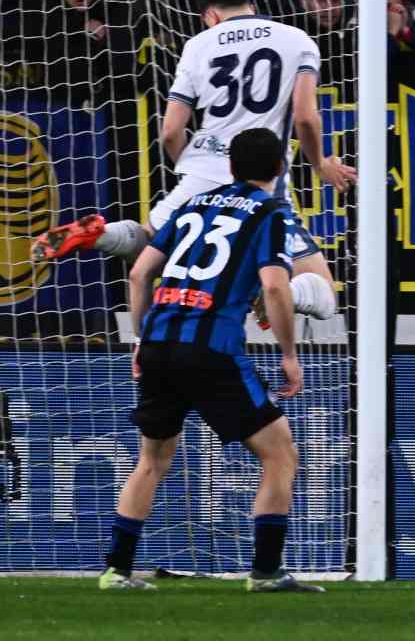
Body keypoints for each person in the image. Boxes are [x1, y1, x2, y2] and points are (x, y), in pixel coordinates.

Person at [35, 0, 356, 325]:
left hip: (203, 167)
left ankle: (102, 234)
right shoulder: (297, 39)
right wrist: (321, 163)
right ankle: (279, 294)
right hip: (263, 177)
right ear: (251, 3)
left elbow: (171, 130)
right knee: (323, 292)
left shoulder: (199, 44)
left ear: (211, 15)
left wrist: (191, 168)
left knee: (151, 241)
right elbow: (306, 118)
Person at [99, 127, 323, 594]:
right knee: (280, 453)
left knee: (152, 458)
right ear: (281, 168)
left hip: (159, 342)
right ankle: (265, 573)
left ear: (230, 166)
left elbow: (141, 272)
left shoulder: (193, 205)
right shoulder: (270, 212)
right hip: (211, 348)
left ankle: (116, 571)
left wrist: (141, 338)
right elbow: (277, 286)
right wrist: (288, 354)